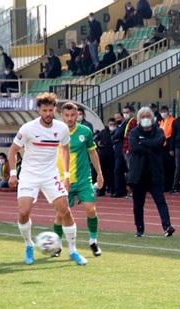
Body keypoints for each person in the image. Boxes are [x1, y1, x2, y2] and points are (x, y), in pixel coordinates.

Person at [8, 92, 87, 266]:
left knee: (65, 210)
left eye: (51, 110)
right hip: (29, 175)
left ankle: (73, 250)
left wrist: (66, 176)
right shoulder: (28, 128)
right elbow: (13, 151)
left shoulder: (61, 128)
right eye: (45, 110)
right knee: (23, 212)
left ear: (55, 110)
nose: (48, 114)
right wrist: (13, 174)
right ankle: (28, 244)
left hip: (50, 175)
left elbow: (65, 150)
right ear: (39, 111)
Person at [51, 102, 104, 258]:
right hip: (61, 180)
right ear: (61, 116)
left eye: (73, 115)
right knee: (61, 214)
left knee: (91, 210)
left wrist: (99, 173)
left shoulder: (85, 131)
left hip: (83, 179)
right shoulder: (55, 132)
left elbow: (93, 153)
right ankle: (57, 245)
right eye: (66, 115)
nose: (70, 118)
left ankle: (93, 241)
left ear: (78, 115)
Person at [127, 107, 175, 238]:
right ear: (139, 119)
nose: (146, 119)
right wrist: (150, 147)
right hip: (138, 173)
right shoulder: (134, 132)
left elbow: (160, 142)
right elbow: (134, 147)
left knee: (160, 201)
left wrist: (144, 142)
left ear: (153, 118)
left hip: (155, 172)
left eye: (148, 116)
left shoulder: (158, 131)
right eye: (143, 116)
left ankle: (167, 226)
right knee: (138, 203)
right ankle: (139, 228)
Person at [94, 117, 116, 196]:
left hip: (113, 157)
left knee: (113, 175)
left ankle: (113, 190)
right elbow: (95, 139)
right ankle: (101, 190)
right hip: (103, 157)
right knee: (103, 175)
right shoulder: (103, 132)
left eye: (114, 124)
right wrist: (98, 143)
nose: (112, 126)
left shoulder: (117, 132)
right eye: (111, 124)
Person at [158, 105, 176, 192]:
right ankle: (165, 184)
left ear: (168, 111)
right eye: (161, 112)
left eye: (164, 111)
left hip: (169, 145)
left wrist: (171, 148)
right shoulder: (161, 122)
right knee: (163, 166)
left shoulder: (172, 120)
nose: (163, 113)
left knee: (170, 166)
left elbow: (172, 135)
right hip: (162, 146)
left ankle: (171, 184)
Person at [111, 112, 128, 197]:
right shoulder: (118, 127)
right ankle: (122, 190)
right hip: (117, 152)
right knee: (119, 171)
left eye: (118, 118)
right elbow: (114, 137)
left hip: (122, 152)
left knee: (118, 171)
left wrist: (114, 138)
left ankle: (119, 190)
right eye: (116, 118)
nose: (117, 120)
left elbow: (117, 135)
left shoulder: (124, 125)